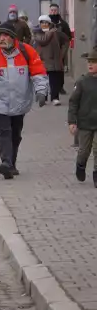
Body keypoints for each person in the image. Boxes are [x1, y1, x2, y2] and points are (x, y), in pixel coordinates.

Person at [0, 21, 49, 179]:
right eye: (0, 35)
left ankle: (12, 163)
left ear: (13, 38)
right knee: (4, 132)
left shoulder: (26, 51)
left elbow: (38, 73)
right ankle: (6, 163)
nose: (2, 38)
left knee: (16, 134)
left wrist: (42, 91)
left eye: (6, 35)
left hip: (20, 103)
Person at [68, 49, 97, 185]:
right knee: (84, 150)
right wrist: (72, 121)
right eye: (89, 62)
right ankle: (80, 165)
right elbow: (73, 102)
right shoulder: (82, 81)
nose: (90, 65)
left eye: (94, 62)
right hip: (85, 123)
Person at [34, 14, 70, 105]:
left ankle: (55, 98)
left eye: (46, 23)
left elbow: (66, 40)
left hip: (54, 61)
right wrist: (50, 32)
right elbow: (43, 40)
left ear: (50, 23)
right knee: (43, 81)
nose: (44, 24)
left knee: (54, 81)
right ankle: (44, 98)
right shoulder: (37, 32)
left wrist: (62, 54)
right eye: (42, 23)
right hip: (42, 60)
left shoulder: (56, 32)